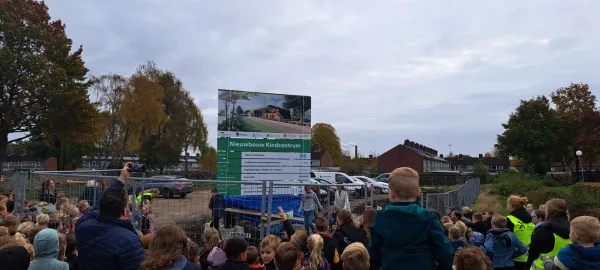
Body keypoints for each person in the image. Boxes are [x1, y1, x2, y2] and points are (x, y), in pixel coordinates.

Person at [368, 167, 454, 270]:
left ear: (391, 193)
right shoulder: (428, 218)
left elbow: (373, 253)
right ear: (418, 192)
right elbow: (445, 252)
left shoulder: (380, 219)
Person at [76, 162, 145, 270]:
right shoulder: (129, 241)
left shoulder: (83, 225)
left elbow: (101, 203)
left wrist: (121, 178)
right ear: (124, 210)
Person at [525, 199, 571, 270]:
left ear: (549, 211)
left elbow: (533, 251)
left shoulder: (544, 229)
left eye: (546, 209)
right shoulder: (573, 227)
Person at [505, 195, 534, 270]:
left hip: (513, 257)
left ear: (511, 205)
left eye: (507, 203)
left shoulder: (510, 220)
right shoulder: (530, 220)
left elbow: (505, 239)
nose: (506, 205)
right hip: (527, 257)